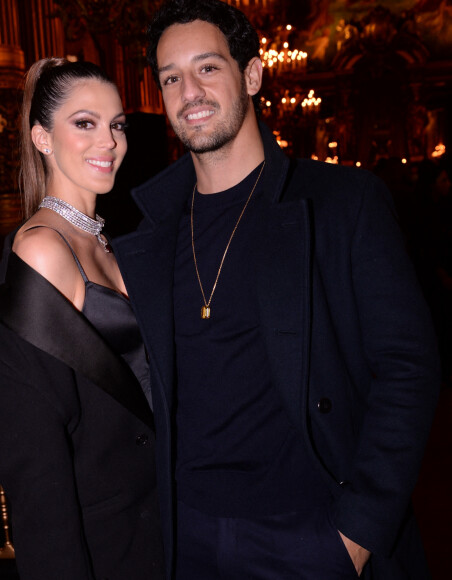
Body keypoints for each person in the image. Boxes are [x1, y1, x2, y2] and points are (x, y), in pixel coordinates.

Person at [111, 1, 441, 578]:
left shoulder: (343, 203)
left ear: (253, 75)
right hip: (184, 536)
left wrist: (356, 533)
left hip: (311, 534)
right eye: (171, 77)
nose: (189, 91)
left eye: (208, 68)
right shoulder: (149, 234)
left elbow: (408, 366)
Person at [0, 58, 165, 580]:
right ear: (42, 138)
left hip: (157, 515)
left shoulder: (103, 239)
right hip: (105, 537)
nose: (110, 142)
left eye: (116, 124)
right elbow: (36, 465)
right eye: (85, 123)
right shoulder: (43, 248)